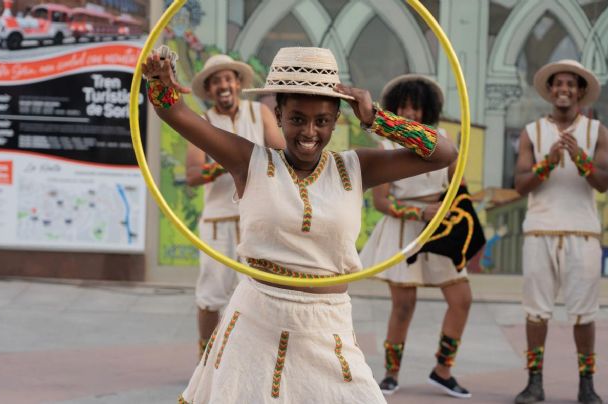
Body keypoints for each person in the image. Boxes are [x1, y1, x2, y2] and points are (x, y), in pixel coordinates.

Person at [142, 45, 457, 403]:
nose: (309, 132)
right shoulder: (250, 161)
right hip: (254, 325)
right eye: (296, 119)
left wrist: (375, 119)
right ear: (277, 115)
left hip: (327, 330)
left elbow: (444, 154)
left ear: (338, 119)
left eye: (322, 120)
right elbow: (173, 111)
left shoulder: (357, 167)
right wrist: (159, 76)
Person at [359, 75, 473, 398]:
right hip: (404, 230)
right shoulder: (385, 147)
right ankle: (391, 374)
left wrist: (451, 210)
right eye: (404, 106)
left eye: (416, 107)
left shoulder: (444, 140)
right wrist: (417, 213)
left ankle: (443, 370)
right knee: (404, 305)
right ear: (394, 108)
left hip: (442, 228)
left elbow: (458, 184)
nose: (410, 113)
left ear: (427, 110)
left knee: (461, 298)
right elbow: (381, 201)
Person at [513, 60, 608, 404]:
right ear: (550, 91)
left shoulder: (597, 131)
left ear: (580, 91)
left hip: (583, 232)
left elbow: (602, 182)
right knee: (536, 311)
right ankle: (534, 382)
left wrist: (580, 157)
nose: (564, 89)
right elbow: (521, 185)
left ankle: (587, 384)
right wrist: (548, 162)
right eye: (558, 84)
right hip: (540, 230)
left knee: (584, 313)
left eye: (571, 84)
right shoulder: (532, 132)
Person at [185, 54, 284, 358]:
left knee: (261, 294)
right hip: (217, 223)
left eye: (228, 78)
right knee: (210, 296)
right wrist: (227, 163)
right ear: (209, 89)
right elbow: (192, 175)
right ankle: (205, 360)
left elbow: (282, 156)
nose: (223, 86)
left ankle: (253, 359)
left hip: (256, 220)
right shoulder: (203, 123)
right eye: (216, 82)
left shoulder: (259, 113)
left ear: (238, 83)